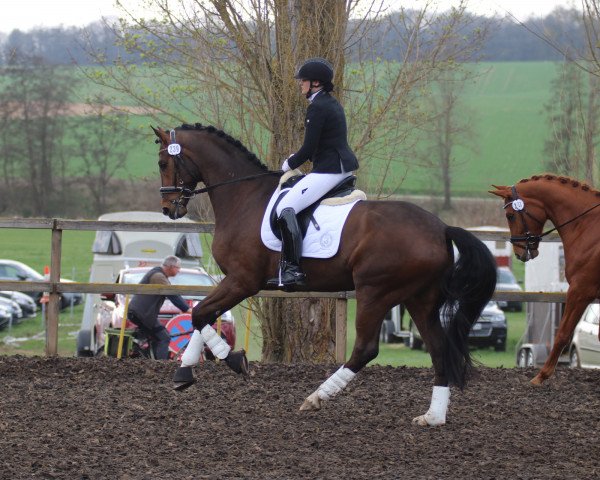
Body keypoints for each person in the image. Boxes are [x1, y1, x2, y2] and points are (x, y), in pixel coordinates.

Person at [267, 57, 359, 289]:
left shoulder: (318, 107)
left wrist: (288, 163)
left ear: (315, 83)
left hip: (329, 170)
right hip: (337, 167)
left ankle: (292, 270)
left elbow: (308, 149)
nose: (300, 84)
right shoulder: (330, 102)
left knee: (285, 208)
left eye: (304, 81)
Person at [126, 255, 191, 360]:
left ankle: (151, 359)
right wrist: (188, 309)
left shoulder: (158, 274)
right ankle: (161, 367)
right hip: (142, 314)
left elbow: (173, 293)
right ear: (170, 266)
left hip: (140, 313)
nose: (179, 270)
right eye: (178, 267)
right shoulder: (158, 276)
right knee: (164, 338)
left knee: (157, 337)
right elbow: (172, 294)